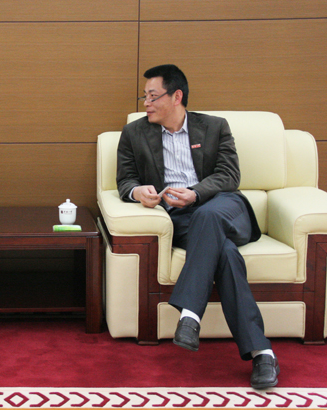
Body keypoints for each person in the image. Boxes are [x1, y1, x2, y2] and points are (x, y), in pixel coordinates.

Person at [116, 64, 279, 389]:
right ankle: (262, 353)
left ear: (176, 96)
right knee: (226, 255)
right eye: (144, 96)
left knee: (208, 216)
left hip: (224, 207)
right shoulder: (134, 132)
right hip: (180, 219)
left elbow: (229, 176)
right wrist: (138, 192)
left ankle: (189, 314)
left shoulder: (215, 127)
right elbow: (125, 180)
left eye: (152, 96)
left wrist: (195, 193)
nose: (146, 103)